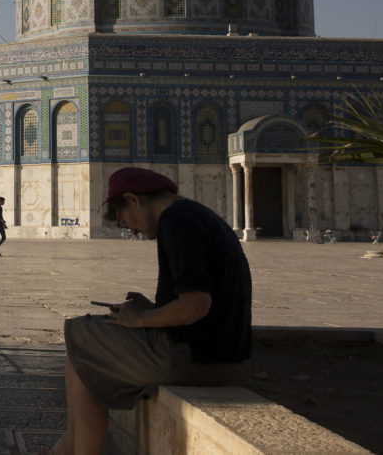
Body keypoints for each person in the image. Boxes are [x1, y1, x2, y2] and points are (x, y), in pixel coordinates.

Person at [45, 167, 252, 455]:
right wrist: (152, 308)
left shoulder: (176, 223)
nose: (132, 230)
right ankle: (67, 447)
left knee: (80, 338)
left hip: (194, 358)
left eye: (124, 220)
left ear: (133, 199)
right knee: (88, 346)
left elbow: (196, 305)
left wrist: (142, 319)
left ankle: (74, 450)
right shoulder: (195, 215)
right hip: (221, 354)